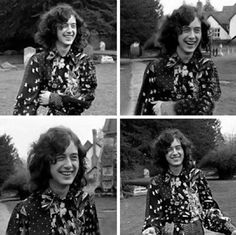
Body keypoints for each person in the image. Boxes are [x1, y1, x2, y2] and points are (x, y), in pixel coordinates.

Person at [6, 126, 100, 235]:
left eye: (74, 157)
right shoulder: (25, 211)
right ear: (45, 161)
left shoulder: (85, 203)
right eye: (61, 158)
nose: (69, 165)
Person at [142, 129, 236, 235]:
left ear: (184, 150)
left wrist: (230, 228)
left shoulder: (196, 176)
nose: (175, 153)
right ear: (162, 154)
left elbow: (209, 208)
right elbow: (154, 219)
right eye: (169, 150)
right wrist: (151, 230)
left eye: (178, 148)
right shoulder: (157, 183)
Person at [135, 5, 221, 115]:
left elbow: (208, 104)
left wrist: (172, 107)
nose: (192, 36)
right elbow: (144, 110)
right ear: (175, 33)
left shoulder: (206, 67)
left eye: (197, 30)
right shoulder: (156, 68)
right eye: (186, 30)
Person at [13, 4, 97, 115]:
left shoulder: (84, 62)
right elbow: (25, 104)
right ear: (53, 29)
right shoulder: (39, 61)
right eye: (64, 26)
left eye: (73, 26)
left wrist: (55, 98)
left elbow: (87, 99)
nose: (70, 30)